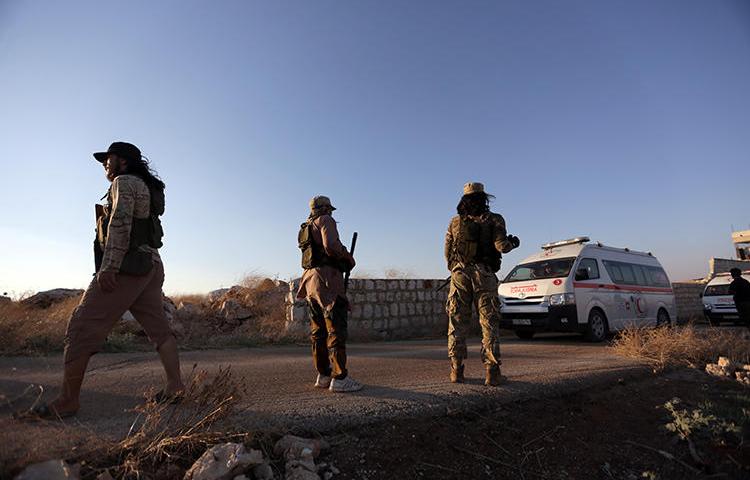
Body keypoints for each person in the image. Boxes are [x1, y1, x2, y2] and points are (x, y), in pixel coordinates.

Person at [24, 142, 184, 419]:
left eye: (107, 159)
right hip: (152, 265)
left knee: (80, 328)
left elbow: (120, 222)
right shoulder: (146, 186)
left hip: (127, 267)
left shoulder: (124, 182)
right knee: (159, 330)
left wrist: (109, 267)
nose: (104, 165)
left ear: (122, 161)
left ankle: (67, 401)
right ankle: (176, 388)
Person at [444, 182, 520, 386]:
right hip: (484, 275)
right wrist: (513, 243)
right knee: (489, 323)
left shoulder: (454, 222)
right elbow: (501, 247)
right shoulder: (495, 219)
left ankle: (456, 371)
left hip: (460, 275)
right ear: (484, 198)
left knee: (457, 323)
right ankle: (492, 373)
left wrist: (455, 268)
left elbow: (447, 250)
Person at [296, 196, 362, 393]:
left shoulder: (306, 226)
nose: (332, 213)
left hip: (309, 282)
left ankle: (323, 375)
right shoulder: (326, 220)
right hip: (327, 280)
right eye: (330, 209)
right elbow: (331, 246)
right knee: (335, 330)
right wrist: (348, 257)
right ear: (324, 208)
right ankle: (340, 378)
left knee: (318, 332)